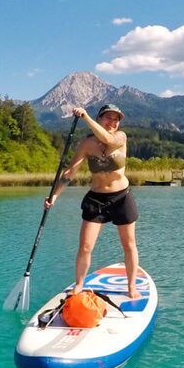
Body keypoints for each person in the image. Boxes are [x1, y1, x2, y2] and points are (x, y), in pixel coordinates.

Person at [45, 104, 141, 299]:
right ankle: (79, 284)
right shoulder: (87, 145)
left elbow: (107, 138)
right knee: (85, 246)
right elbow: (70, 172)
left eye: (116, 119)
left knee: (129, 244)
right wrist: (54, 195)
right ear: (100, 119)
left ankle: (132, 286)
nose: (112, 123)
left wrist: (85, 117)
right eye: (108, 118)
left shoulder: (120, 138)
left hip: (121, 196)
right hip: (96, 198)